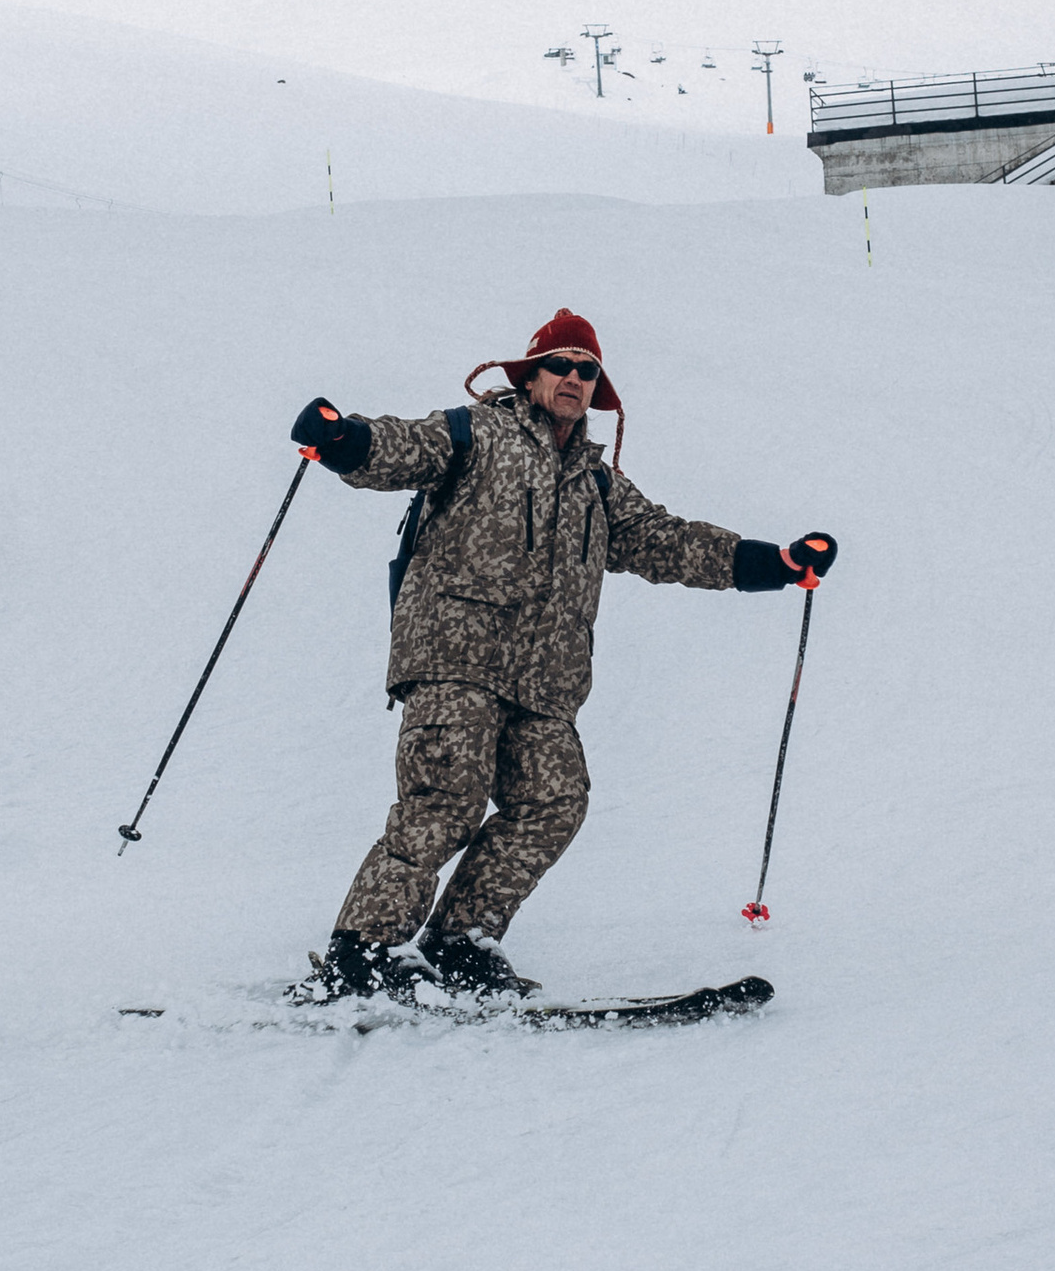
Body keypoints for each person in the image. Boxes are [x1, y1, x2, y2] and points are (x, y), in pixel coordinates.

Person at [285, 307, 837, 1003]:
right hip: (456, 656)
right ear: (531, 374)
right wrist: (342, 440)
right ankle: (360, 954)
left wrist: (777, 562)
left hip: (545, 682)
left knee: (554, 801)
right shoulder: (475, 432)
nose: (576, 378)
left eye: (589, 370)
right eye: (563, 365)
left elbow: (668, 541)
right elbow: (400, 449)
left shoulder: (595, 482)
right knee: (444, 802)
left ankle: (461, 944)